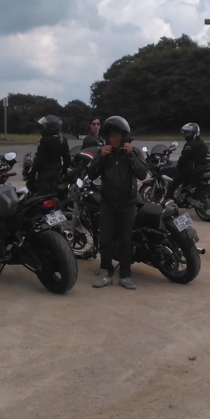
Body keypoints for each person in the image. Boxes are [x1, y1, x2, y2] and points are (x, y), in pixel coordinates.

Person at [87, 115, 148, 290]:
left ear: (124, 136)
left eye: (117, 135)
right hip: (107, 203)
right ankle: (105, 272)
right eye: (111, 135)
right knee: (105, 239)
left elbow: (143, 174)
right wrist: (100, 157)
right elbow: (91, 174)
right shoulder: (103, 152)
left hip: (127, 203)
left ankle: (125, 275)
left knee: (125, 240)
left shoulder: (133, 152)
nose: (114, 139)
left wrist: (130, 157)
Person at [164, 122, 209, 202]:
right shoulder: (202, 143)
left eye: (188, 133)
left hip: (190, 169)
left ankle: (166, 203)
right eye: (185, 133)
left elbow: (183, 158)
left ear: (195, 133)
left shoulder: (190, 144)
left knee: (172, 185)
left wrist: (178, 167)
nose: (186, 135)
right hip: (201, 168)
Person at [30, 115, 72, 194]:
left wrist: (32, 174)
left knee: (42, 196)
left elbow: (39, 159)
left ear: (50, 127)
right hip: (57, 172)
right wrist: (64, 170)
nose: (43, 129)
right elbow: (67, 158)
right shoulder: (63, 140)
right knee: (54, 195)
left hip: (45, 173)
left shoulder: (45, 140)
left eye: (45, 127)